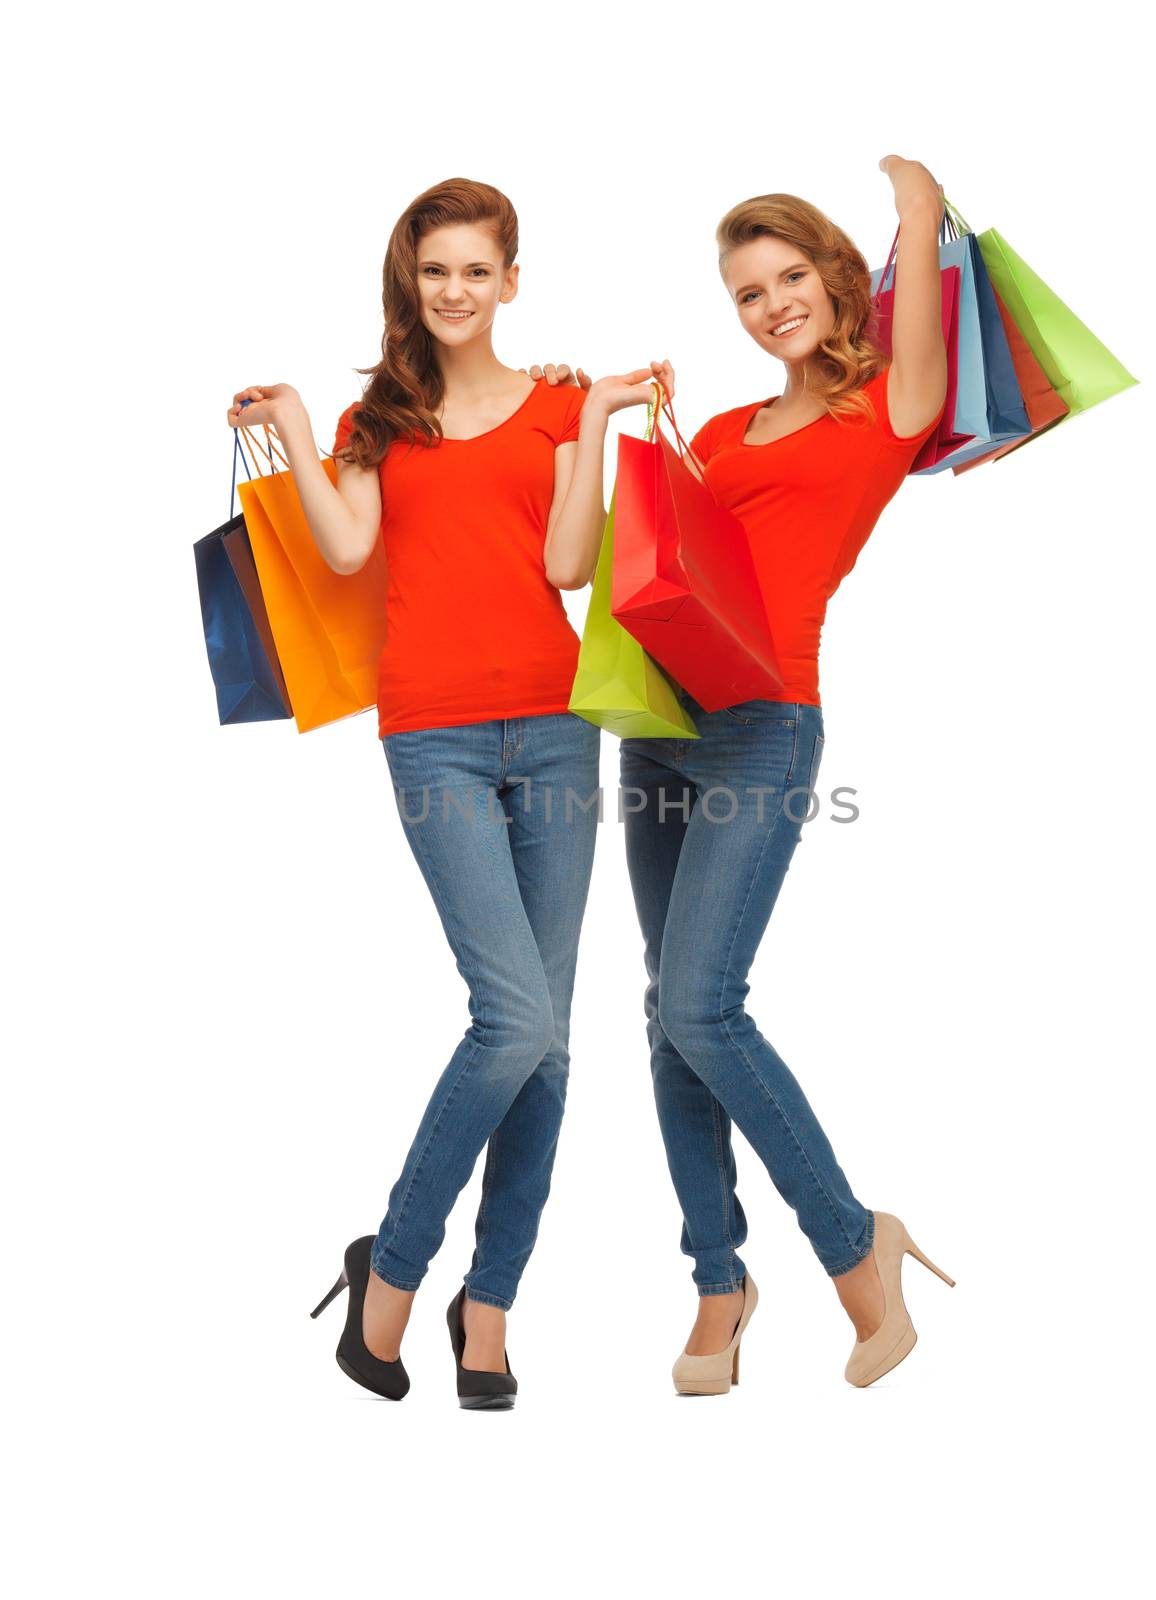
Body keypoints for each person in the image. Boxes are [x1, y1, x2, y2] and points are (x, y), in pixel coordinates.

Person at [228, 177, 671, 1406]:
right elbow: (345, 548)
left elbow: (571, 567)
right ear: (410, 283)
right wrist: (305, 419)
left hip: (553, 732)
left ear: (512, 281)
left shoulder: (567, 408)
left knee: (550, 1045)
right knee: (512, 1020)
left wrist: (594, 432)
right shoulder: (382, 419)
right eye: (436, 272)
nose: (457, 291)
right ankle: (394, 1276)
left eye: (478, 270)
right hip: (433, 739)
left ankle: (491, 1310)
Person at [618, 154, 957, 1394]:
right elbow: (667, 570)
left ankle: (851, 1239)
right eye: (747, 293)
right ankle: (719, 1275)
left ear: (831, 276)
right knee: (667, 1015)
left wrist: (913, 207)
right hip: (656, 725)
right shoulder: (717, 428)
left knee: (705, 1003)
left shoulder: (887, 408)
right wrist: (631, 429)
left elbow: (914, 271)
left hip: (766, 725)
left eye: (789, 276)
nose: (771, 307)